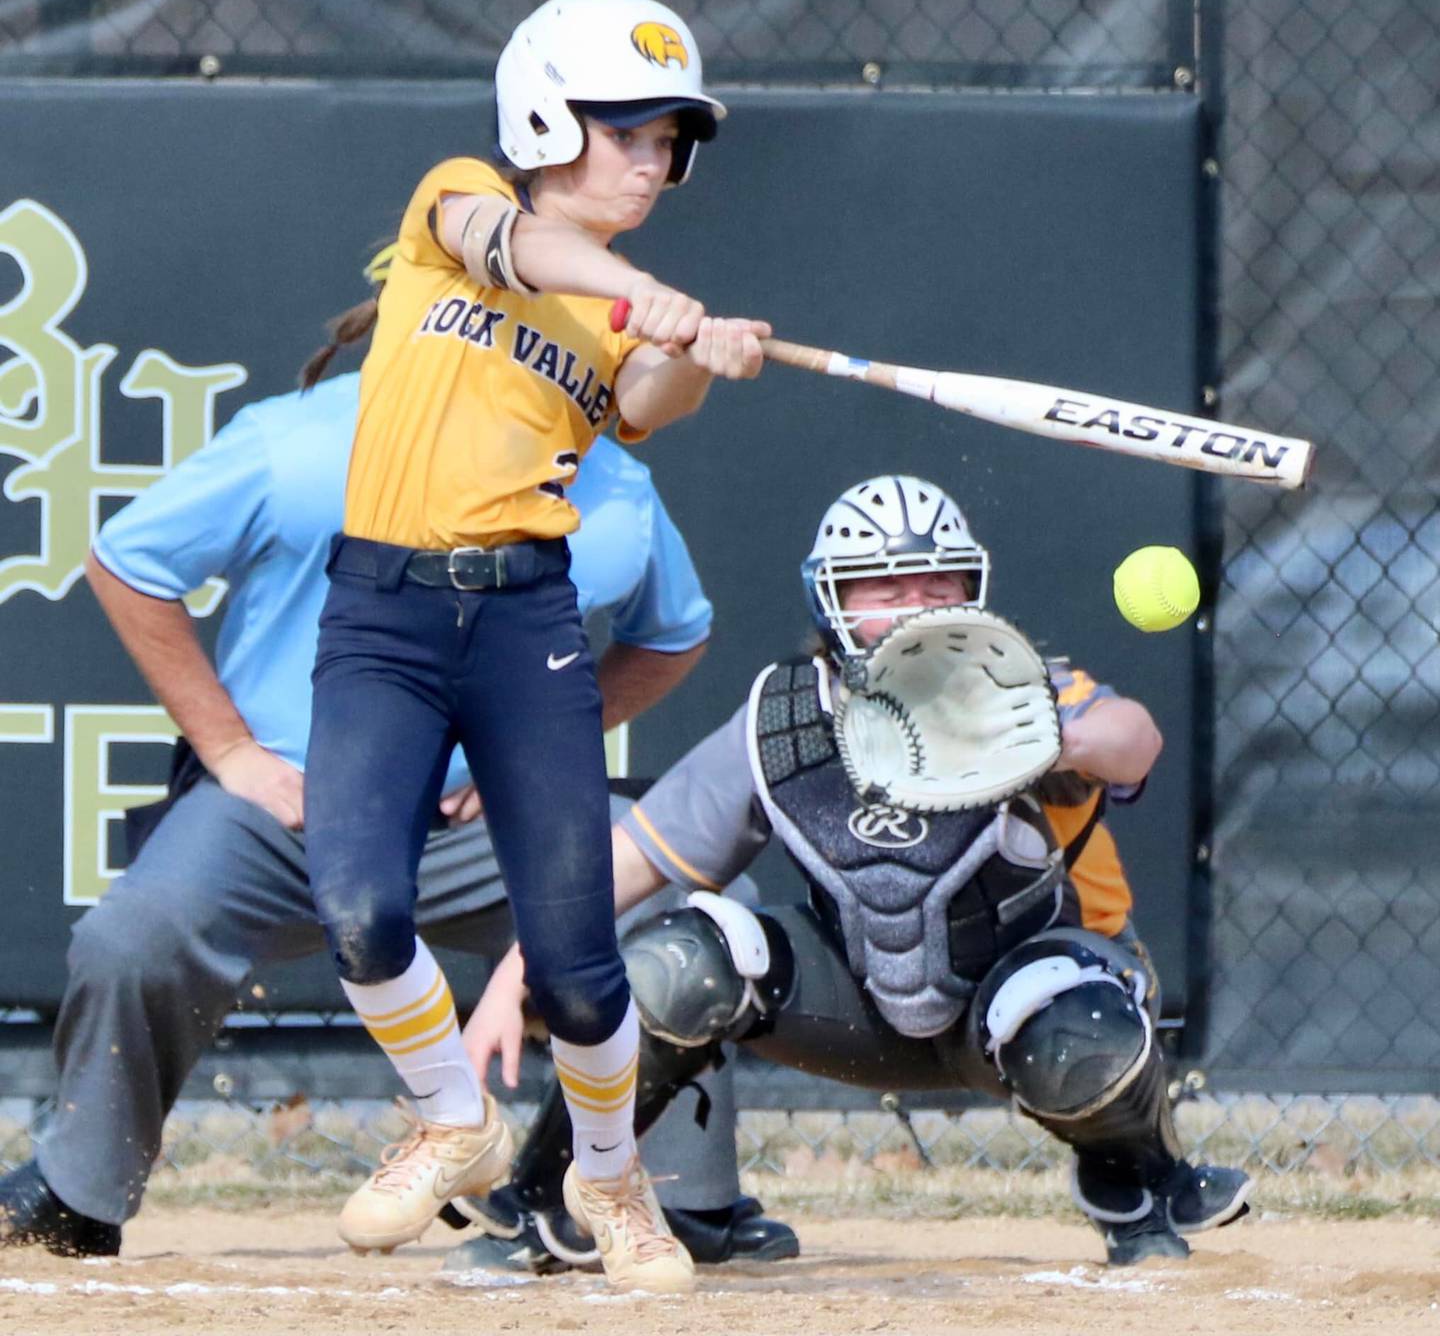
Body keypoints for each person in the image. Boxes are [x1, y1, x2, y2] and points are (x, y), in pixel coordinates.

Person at [0, 352, 792, 1268]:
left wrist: (526, 753)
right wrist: (229, 752)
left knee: (668, 913)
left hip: (473, 822)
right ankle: (79, 1190)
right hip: (291, 805)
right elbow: (128, 560)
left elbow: (672, 633)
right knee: (131, 939)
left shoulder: (606, 474)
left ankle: (662, 1201)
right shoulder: (303, 441)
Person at [469, 475, 1256, 1269]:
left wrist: (1052, 740)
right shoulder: (788, 716)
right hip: (857, 1001)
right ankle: (545, 1202)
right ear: (832, 600)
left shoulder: (1021, 691)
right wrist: (513, 975)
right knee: (674, 965)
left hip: (1024, 1000)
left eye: (936, 582)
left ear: (971, 591)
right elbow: (633, 857)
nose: (913, 605)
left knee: (1072, 1021)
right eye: (884, 587)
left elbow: (1135, 740)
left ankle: (1144, 1182)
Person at [299, 0, 768, 1294]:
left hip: (523, 621)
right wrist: (650, 295)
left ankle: (610, 1177)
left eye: (670, 139)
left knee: (573, 958)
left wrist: (698, 347)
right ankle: (454, 1119)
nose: (655, 161)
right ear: (547, 115)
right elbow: (511, 246)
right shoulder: (456, 198)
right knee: (357, 907)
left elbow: (642, 403)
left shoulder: (623, 300)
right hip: (383, 612)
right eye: (630, 130)